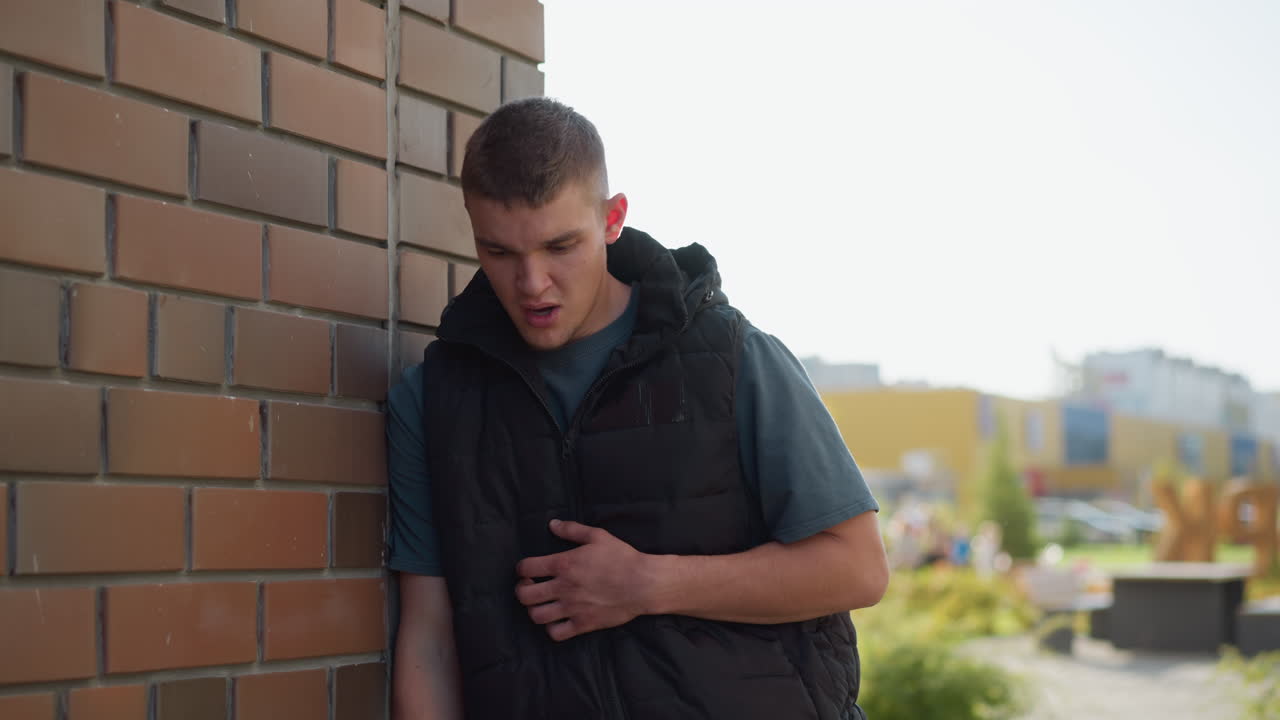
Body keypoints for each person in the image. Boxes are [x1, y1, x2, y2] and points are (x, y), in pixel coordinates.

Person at [386, 97, 889, 720]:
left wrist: (648, 584)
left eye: (560, 246)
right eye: (501, 253)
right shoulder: (433, 400)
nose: (532, 283)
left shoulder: (733, 358)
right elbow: (430, 643)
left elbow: (857, 568)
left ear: (612, 219)